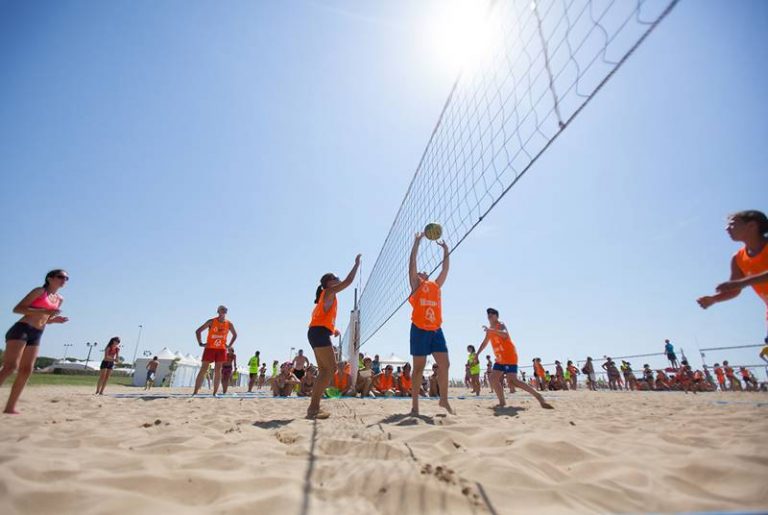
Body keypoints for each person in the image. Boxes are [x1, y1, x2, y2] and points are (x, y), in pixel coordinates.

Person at [1, 270, 69, 414]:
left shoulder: (59, 298)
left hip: (37, 333)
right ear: (50, 278)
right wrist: (44, 311)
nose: (64, 280)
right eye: (61, 277)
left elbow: (45, 319)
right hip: (22, 329)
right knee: (10, 367)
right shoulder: (39, 291)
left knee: (26, 370)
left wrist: (54, 320)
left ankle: (10, 407)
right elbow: (17, 309)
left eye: (66, 278)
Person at [698, 211, 768, 342]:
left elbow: (738, 285)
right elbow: (735, 290)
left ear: (752, 226)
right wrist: (714, 299)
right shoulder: (738, 258)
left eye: (732, 224)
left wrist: (740, 283)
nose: (727, 228)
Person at [306, 254, 361, 419]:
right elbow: (348, 282)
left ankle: (314, 408)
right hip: (318, 333)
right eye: (335, 278)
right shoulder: (328, 291)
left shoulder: (328, 295)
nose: (338, 280)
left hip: (317, 332)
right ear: (329, 283)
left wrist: (333, 329)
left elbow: (322, 319)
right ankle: (313, 408)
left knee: (325, 371)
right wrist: (356, 264)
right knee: (329, 370)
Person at [407, 232, 453, 415]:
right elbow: (412, 264)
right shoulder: (416, 285)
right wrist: (417, 243)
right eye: (420, 272)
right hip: (419, 329)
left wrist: (446, 250)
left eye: (423, 271)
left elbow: (445, 270)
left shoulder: (434, 285)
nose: (422, 271)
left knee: (445, 364)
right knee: (418, 368)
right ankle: (415, 406)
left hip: (436, 330)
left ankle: (443, 400)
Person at [476, 308, 553, 409]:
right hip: (499, 358)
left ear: (496, 316)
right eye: (488, 315)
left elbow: (505, 334)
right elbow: (485, 342)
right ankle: (502, 402)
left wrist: (491, 330)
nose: (489, 316)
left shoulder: (500, 325)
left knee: (513, 381)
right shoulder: (490, 330)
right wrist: (477, 354)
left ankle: (538, 396)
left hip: (509, 356)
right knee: (493, 379)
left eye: (491, 315)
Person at [193, 305, 237, 396]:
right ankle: (195, 392)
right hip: (210, 348)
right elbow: (198, 331)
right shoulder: (212, 321)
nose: (224, 311)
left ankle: (215, 393)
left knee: (218, 370)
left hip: (221, 349)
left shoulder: (229, 324)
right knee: (203, 369)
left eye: (225, 310)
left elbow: (235, 335)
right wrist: (201, 343)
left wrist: (229, 346)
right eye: (222, 309)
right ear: (218, 311)